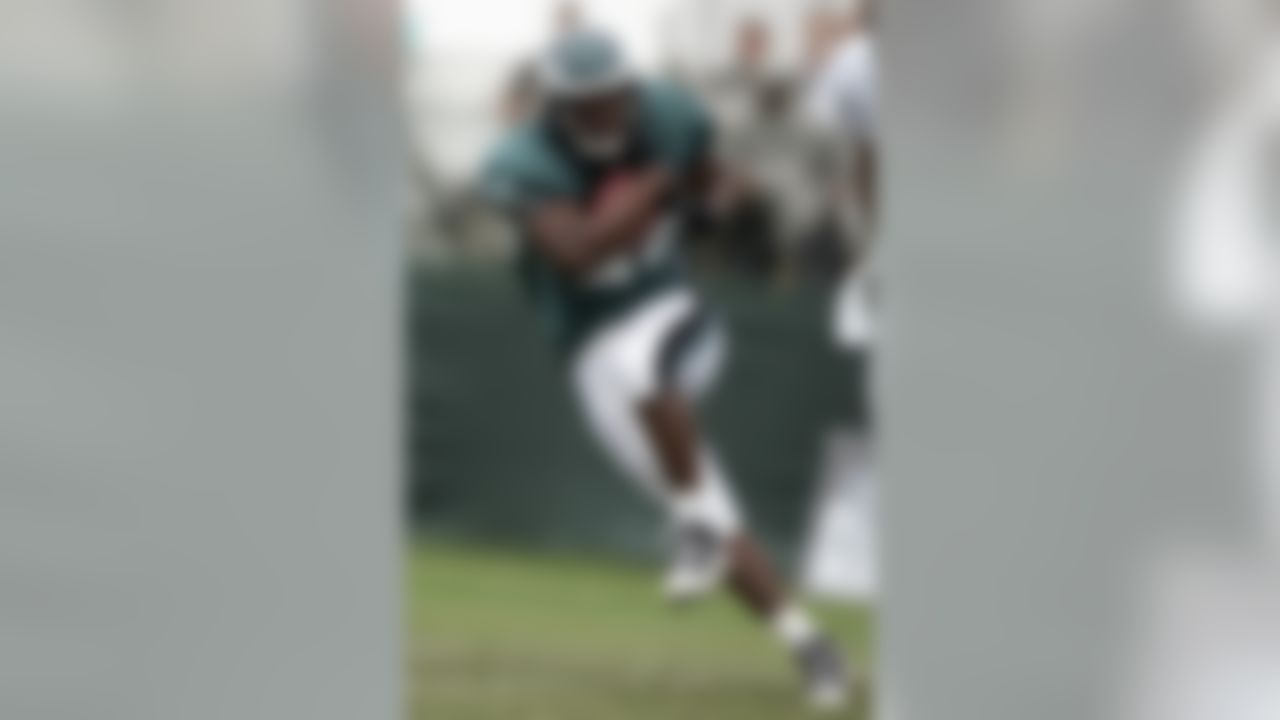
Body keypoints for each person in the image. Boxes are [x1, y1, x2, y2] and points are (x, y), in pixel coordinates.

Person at [481, 29, 852, 710]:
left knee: (645, 369)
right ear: (558, 106)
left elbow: (722, 184)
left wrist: (723, 199)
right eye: (587, 104)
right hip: (589, 350)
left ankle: (688, 529)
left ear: (631, 88)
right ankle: (808, 642)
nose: (606, 115)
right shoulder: (522, 160)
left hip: (672, 312)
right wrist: (661, 182)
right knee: (715, 507)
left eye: (614, 98)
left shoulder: (670, 114)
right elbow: (579, 254)